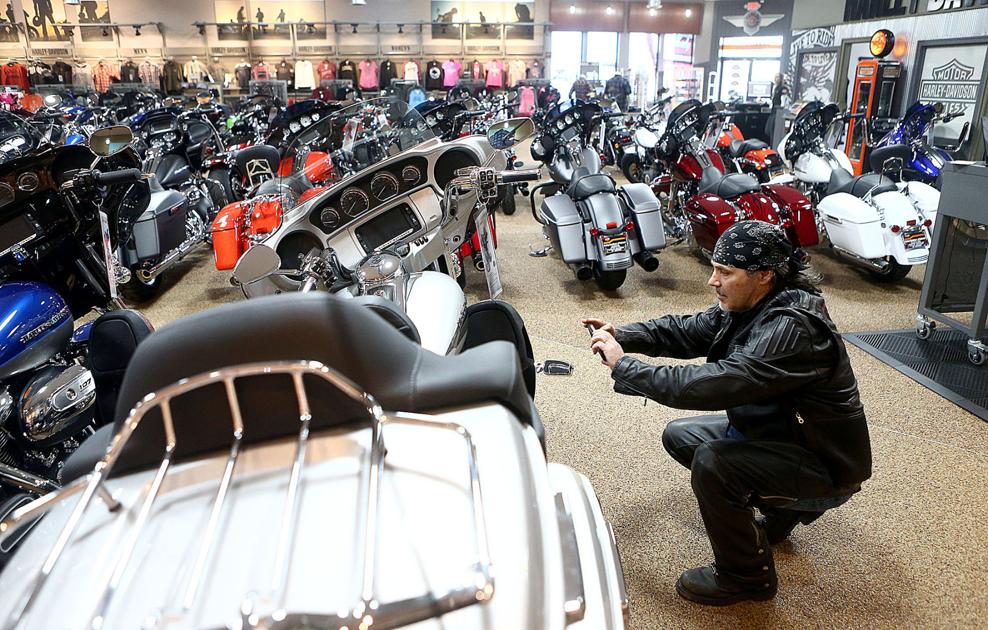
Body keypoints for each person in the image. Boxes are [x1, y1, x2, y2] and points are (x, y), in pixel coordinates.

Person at [583, 220, 872, 606]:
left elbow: (715, 384)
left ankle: (746, 578)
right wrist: (624, 335)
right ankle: (780, 513)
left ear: (764, 275)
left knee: (713, 463)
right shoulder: (754, 302)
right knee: (681, 436)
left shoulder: (793, 329)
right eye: (714, 268)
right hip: (787, 434)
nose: (712, 281)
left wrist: (625, 366)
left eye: (725, 271)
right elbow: (687, 330)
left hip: (826, 465)